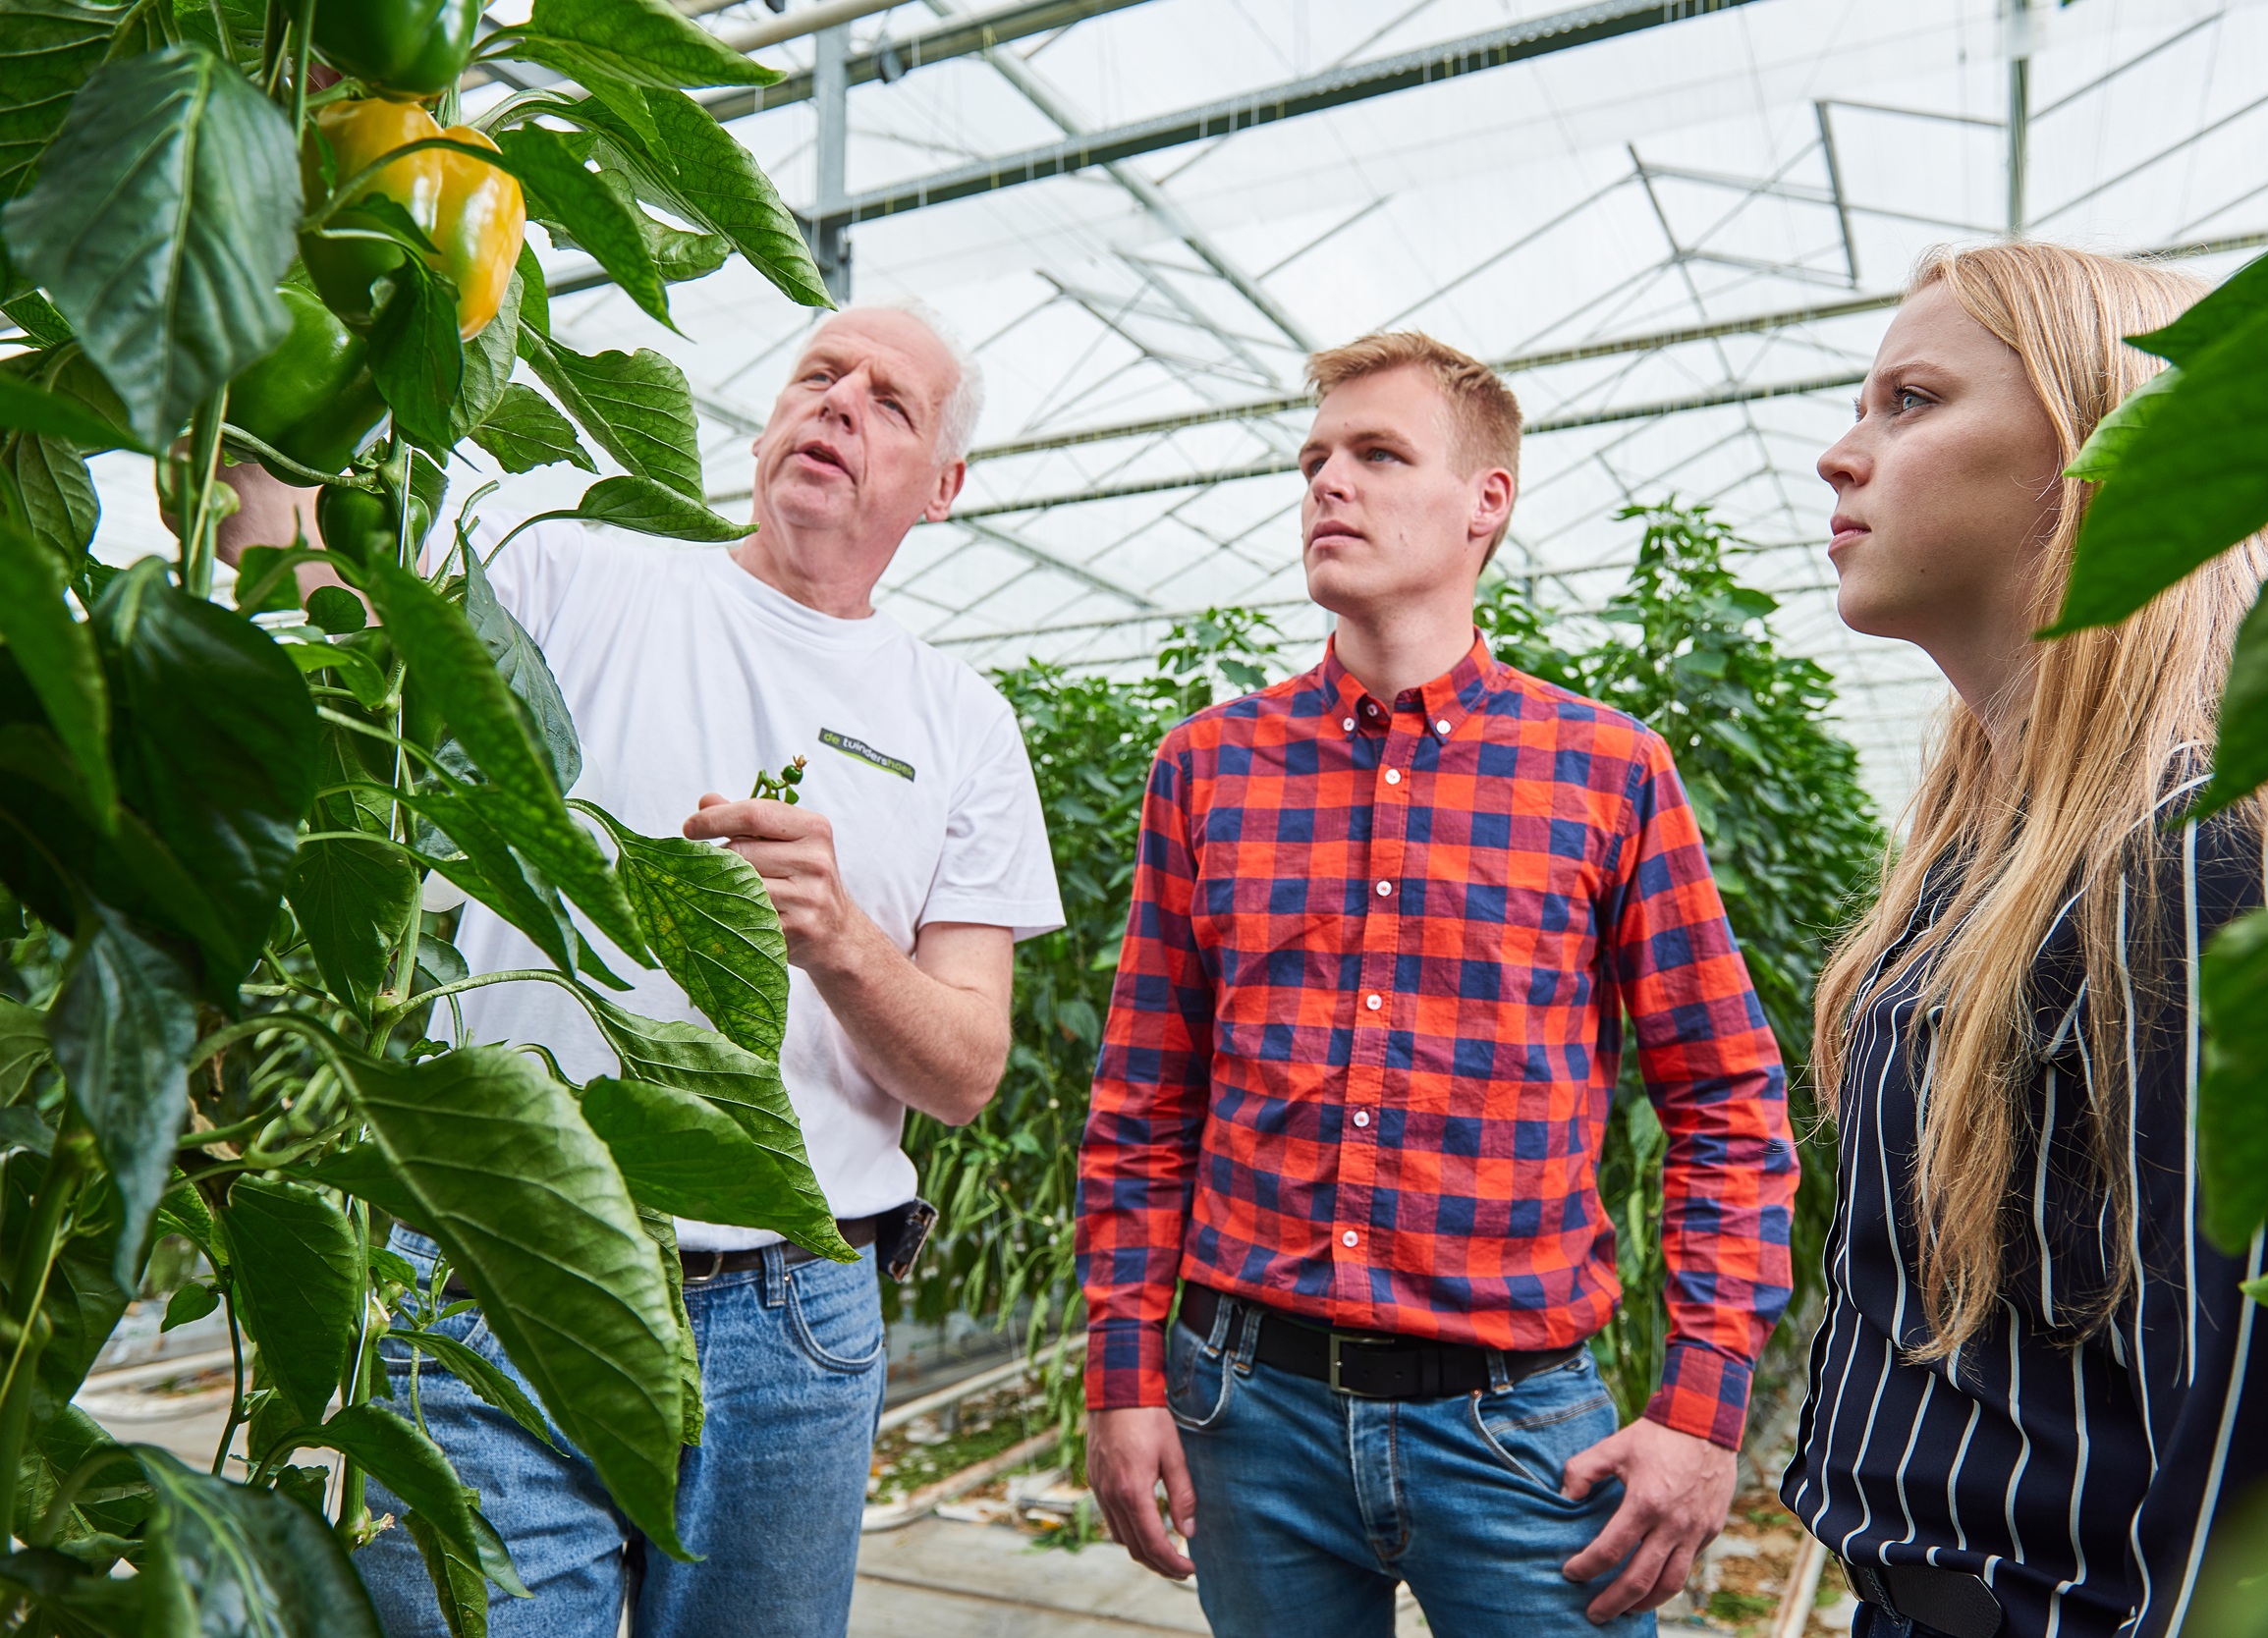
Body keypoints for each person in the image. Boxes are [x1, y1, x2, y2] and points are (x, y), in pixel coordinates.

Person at [215, 303, 1065, 1637]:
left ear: (944, 489)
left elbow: (964, 1071)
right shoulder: (576, 575)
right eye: (817, 376)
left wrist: (839, 940)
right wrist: (256, 366)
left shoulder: (959, 721)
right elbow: (320, 595)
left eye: (889, 403)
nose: (838, 404)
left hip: (792, 1324)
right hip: (508, 1264)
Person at [1075, 331, 1798, 1636]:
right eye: (1313, 460)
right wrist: (1123, 1371)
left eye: (1376, 454)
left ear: (1486, 503)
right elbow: (1143, 1098)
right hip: (1249, 1409)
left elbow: (1726, 1095)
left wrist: (1700, 1411)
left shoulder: (1607, 771)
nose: (1326, 486)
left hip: (1520, 1426)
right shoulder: (1208, 767)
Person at [1782, 243, 2268, 1638]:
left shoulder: (2223, 864)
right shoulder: (1993, 860)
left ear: (2096, 454)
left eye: (1909, 400)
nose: (1842, 455)